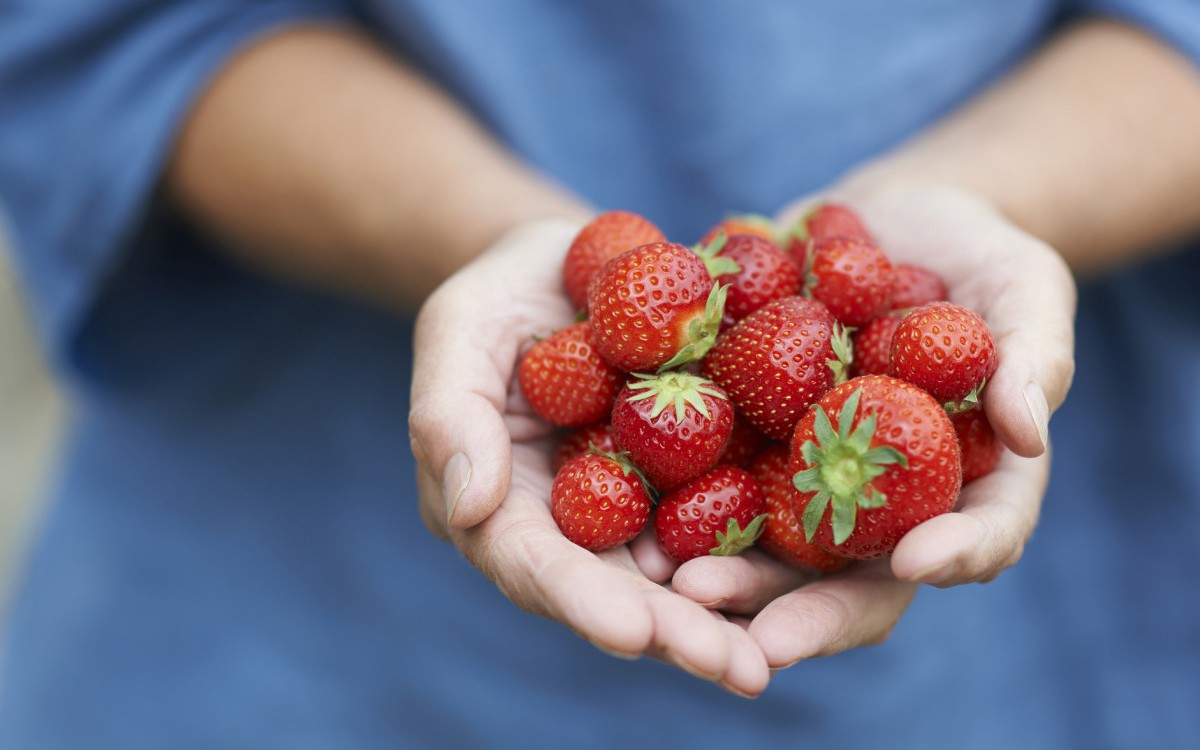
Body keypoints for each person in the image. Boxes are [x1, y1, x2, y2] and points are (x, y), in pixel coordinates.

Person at [1, 1, 1198, 747]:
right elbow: (111, 36)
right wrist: (478, 231)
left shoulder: (807, 365)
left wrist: (996, 197)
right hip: (298, 621)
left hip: (1060, 648)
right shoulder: (733, 361)